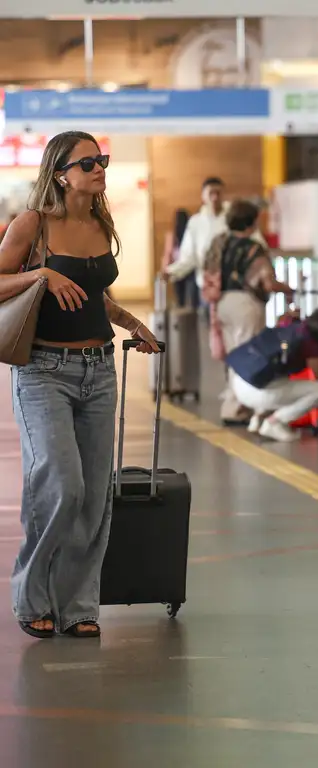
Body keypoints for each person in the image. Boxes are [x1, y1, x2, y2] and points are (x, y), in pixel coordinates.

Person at [0, 130, 160, 639]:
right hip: (43, 372)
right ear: (61, 172)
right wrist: (40, 274)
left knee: (94, 496)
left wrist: (133, 324)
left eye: (103, 160)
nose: (99, 168)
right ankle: (33, 598)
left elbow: (93, 298)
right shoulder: (33, 224)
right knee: (61, 486)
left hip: (99, 369)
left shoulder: (99, 223)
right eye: (88, 162)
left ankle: (77, 607)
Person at [203, 200, 294, 426]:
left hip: (221, 303)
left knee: (233, 358)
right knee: (249, 358)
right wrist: (289, 290)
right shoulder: (254, 249)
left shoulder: (218, 243)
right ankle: (243, 407)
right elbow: (268, 283)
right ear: (251, 222)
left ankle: (232, 406)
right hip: (246, 305)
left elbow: (207, 271)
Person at [229, 308, 318, 442]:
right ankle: (275, 422)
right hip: (257, 391)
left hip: (240, 380)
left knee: (283, 380)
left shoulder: (293, 327)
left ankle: (258, 419)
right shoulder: (310, 342)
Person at [162, 208, 198, 309]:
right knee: (191, 295)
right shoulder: (190, 233)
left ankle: (181, 310)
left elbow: (168, 253)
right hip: (189, 269)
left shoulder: (172, 235)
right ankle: (190, 312)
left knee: (180, 295)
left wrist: (165, 269)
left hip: (176, 268)